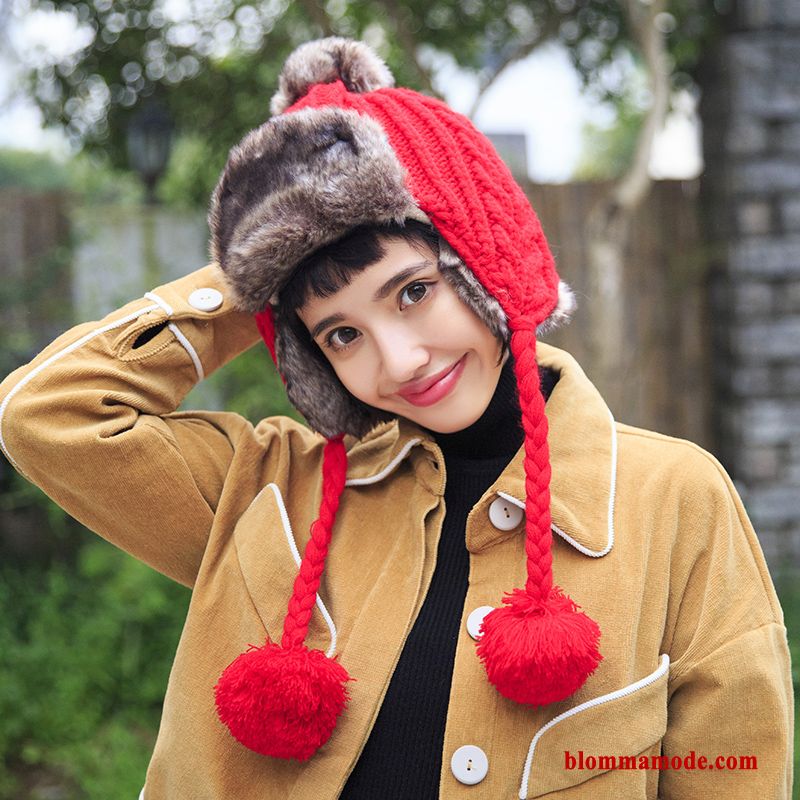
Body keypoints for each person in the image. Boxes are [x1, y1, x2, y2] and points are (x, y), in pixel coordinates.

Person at [0, 37, 792, 800]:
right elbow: (46, 413)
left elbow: (733, 772)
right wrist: (265, 253)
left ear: (485, 260)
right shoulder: (263, 494)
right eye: (341, 335)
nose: (402, 360)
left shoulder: (675, 501)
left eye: (413, 292)